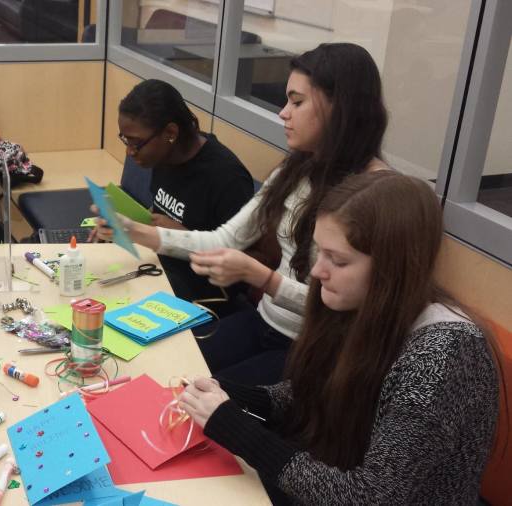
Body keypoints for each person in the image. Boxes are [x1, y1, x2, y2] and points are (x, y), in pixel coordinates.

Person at [178, 171, 500, 505]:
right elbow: (320, 393)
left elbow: (369, 496)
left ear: (393, 267)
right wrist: (234, 395)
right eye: (321, 252)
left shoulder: (442, 356)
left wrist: (234, 427)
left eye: (338, 259)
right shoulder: (362, 305)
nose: (317, 271)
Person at [97, 43, 389, 385]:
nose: (283, 112)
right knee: (158, 370)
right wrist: (140, 232)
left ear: (340, 107)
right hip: (263, 322)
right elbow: (226, 239)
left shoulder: (378, 191)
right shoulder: (298, 168)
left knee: (193, 396)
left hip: (312, 350)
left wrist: (262, 277)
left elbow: (353, 305)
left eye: (297, 102)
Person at [116, 79, 254, 314]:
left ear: (170, 133)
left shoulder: (227, 177)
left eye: (136, 143)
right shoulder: (164, 157)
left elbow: (247, 262)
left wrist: (184, 234)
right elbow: (160, 211)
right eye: (125, 140)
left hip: (201, 294)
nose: (129, 152)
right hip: (157, 267)